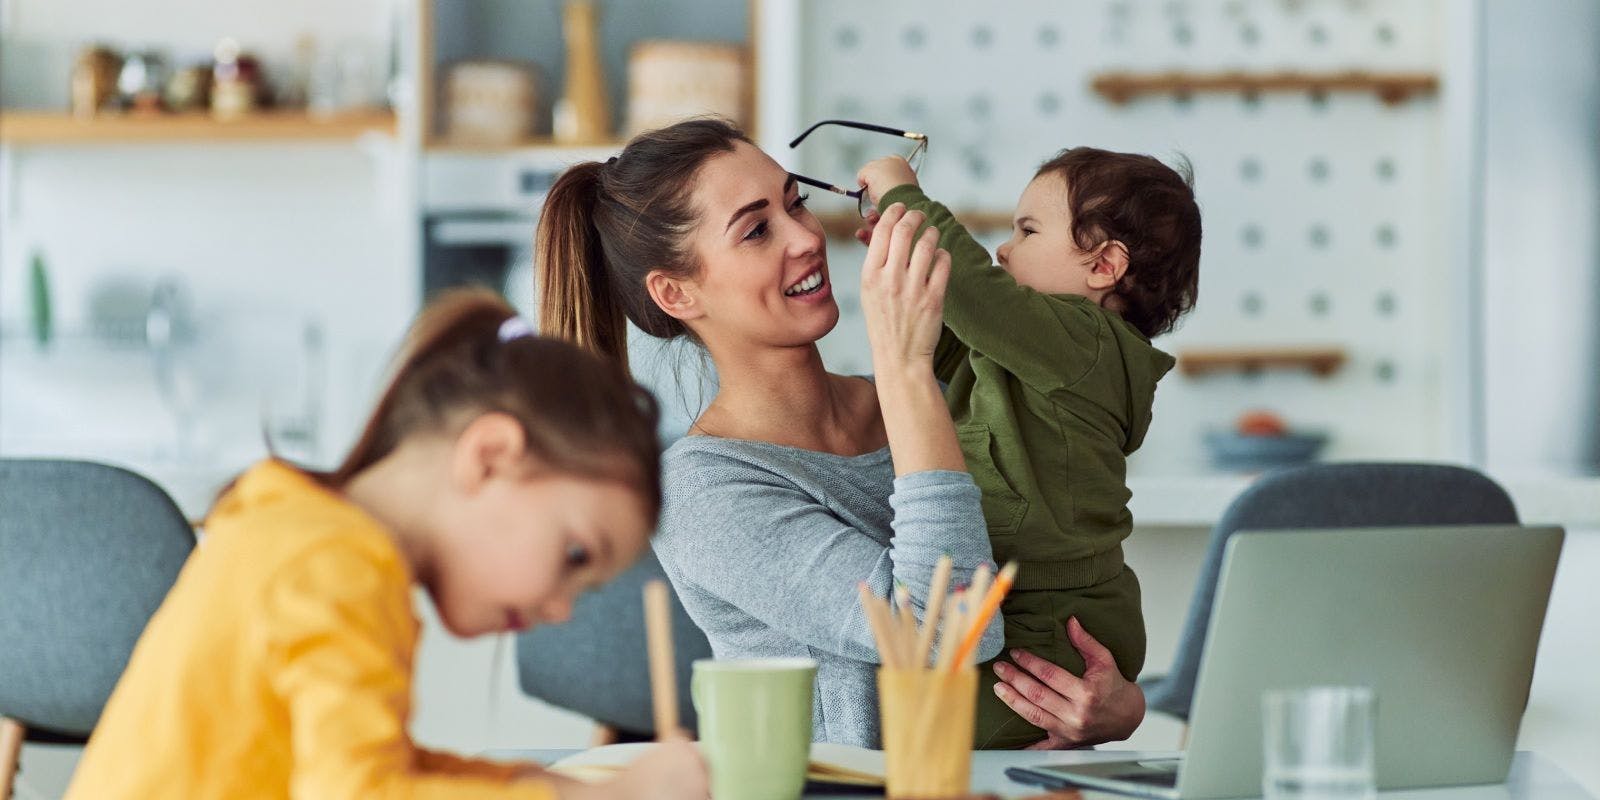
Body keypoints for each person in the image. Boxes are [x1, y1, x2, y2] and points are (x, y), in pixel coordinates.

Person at [534, 117, 1145, 749]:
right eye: (756, 230)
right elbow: (942, 633)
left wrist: (1116, 705)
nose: (806, 236)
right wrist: (904, 364)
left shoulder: (930, 401)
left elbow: (1060, 566)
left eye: (796, 202)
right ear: (677, 293)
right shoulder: (701, 492)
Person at [66, 289, 708, 800]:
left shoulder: (302, 530)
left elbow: (378, 769)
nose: (562, 610)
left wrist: (566, 787)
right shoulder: (336, 566)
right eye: (575, 556)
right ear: (489, 457)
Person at [854, 148, 1201, 747]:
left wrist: (902, 199)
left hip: (1052, 620)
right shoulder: (1024, 353)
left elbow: (977, 296)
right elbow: (937, 340)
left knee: (940, 734)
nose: (1004, 250)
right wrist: (909, 269)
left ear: (1103, 266)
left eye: (1028, 230)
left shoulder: (1087, 341)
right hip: (1019, 605)